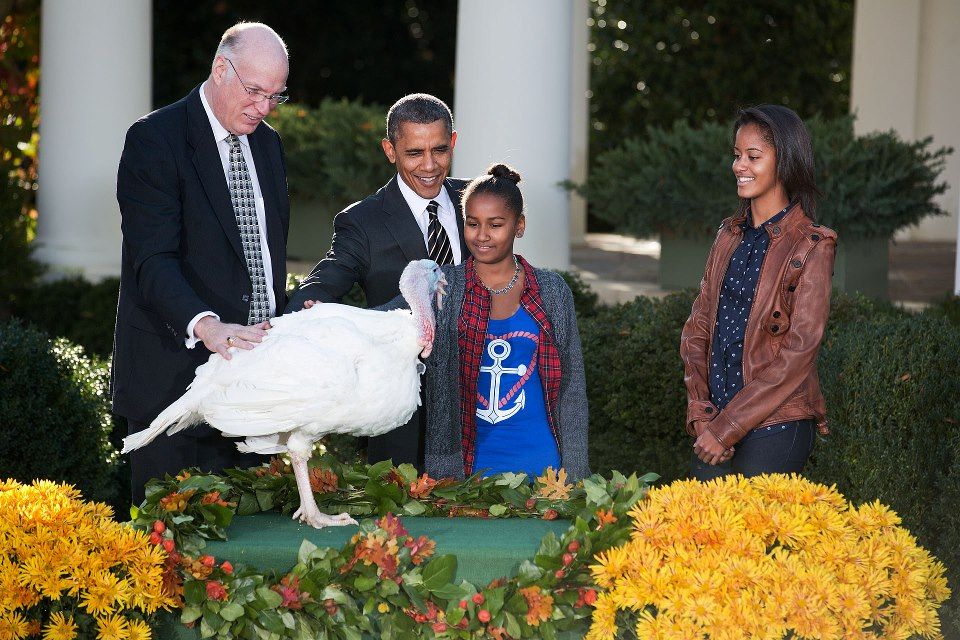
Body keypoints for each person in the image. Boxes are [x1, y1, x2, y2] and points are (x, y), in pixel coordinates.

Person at [113, 23, 291, 503]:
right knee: (169, 541)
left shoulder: (269, 144)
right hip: (175, 386)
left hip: (255, 390)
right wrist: (208, 326)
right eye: (254, 91)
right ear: (220, 69)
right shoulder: (155, 139)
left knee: (257, 540)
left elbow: (261, 258)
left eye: (275, 96)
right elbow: (152, 261)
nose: (263, 107)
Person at [286, 93, 469, 469]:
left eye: (439, 149)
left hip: (479, 400)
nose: (430, 165)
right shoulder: (363, 222)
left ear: (452, 142)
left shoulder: (478, 201)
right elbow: (328, 275)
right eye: (414, 153)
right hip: (404, 410)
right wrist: (299, 313)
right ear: (390, 150)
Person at [381, 164, 590, 481]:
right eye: (472, 223)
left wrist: (576, 473)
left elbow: (571, 390)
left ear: (519, 226)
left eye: (495, 225)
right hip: (461, 472)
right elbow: (380, 322)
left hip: (543, 469)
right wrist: (321, 316)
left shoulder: (552, 291)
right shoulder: (443, 286)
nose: (481, 236)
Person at [680, 105, 837, 480]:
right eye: (737, 155)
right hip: (714, 423)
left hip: (776, 425)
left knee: (755, 520)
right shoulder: (728, 234)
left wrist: (726, 428)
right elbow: (697, 329)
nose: (739, 166)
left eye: (753, 156)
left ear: (785, 161)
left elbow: (799, 352)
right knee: (699, 518)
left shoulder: (813, 245)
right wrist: (701, 411)